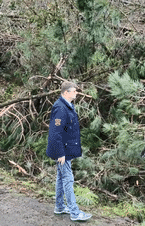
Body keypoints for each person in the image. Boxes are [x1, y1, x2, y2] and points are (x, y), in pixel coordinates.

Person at [46, 81, 92, 222]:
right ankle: (74, 212)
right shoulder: (60, 108)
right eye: (73, 91)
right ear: (66, 92)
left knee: (61, 178)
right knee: (68, 179)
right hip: (62, 151)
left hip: (65, 150)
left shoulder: (67, 106)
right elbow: (55, 132)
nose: (76, 93)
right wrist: (60, 153)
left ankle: (59, 207)